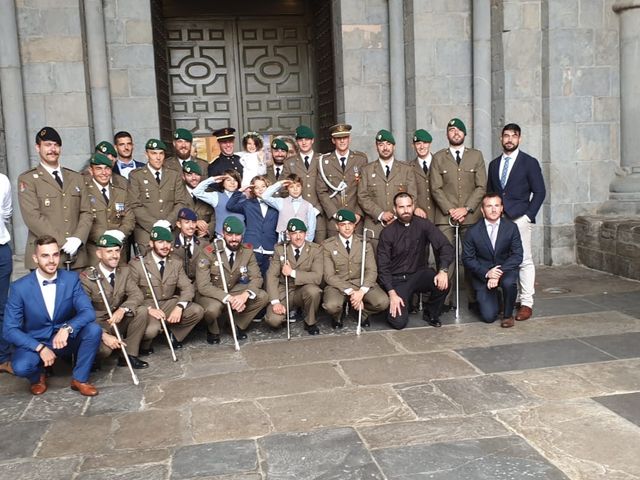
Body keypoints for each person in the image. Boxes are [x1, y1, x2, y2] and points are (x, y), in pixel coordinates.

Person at [3, 235, 102, 396]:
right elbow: (9, 330)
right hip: (37, 340)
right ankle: (37, 377)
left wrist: (67, 328)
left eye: (55, 255)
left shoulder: (71, 279)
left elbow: (88, 312)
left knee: (93, 330)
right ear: (35, 258)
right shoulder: (19, 288)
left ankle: (80, 379)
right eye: (45, 255)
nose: (51, 260)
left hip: (64, 339)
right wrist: (40, 348)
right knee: (21, 366)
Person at [487, 123, 546, 322]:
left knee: (524, 260)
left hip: (520, 218)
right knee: (501, 259)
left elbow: (540, 191)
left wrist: (528, 215)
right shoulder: (494, 164)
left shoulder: (529, 162)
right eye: (506, 135)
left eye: (514, 136)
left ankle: (526, 303)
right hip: (499, 219)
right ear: (501, 139)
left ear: (519, 139)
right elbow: (491, 193)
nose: (509, 139)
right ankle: (508, 299)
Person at [430, 118, 486, 311]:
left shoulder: (476, 156)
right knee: (446, 258)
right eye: (451, 130)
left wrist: (466, 208)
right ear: (447, 134)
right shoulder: (438, 157)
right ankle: (444, 301)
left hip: (470, 216)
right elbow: (435, 188)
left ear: (465, 134)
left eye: (458, 130)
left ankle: (474, 299)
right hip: (445, 217)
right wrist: (451, 210)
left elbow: (481, 186)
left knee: (471, 258)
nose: (455, 133)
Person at [18, 126, 92, 270]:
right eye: (47, 145)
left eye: (56, 145)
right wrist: (63, 242)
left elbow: (87, 212)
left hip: (76, 256)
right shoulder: (28, 179)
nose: (53, 149)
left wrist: (78, 239)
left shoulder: (76, 178)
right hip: (45, 256)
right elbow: (32, 217)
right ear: (37, 148)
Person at [377, 193, 453, 330]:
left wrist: (443, 270)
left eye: (408, 206)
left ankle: (431, 313)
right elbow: (383, 267)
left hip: (418, 274)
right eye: (401, 207)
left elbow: (445, 246)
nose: (406, 210)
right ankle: (390, 307)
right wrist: (392, 293)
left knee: (444, 283)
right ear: (395, 209)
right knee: (398, 323)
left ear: (413, 206)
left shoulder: (423, 225)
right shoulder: (387, 233)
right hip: (397, 280)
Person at [129, 221, 204, 353]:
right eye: (160, 242)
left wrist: (179, 307)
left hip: (168, 303)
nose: (165, 246)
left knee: (197, 311)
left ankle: (173, 334)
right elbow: (130, 294)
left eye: (168, 242)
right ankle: (145, 345)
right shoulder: (137, 264)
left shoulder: (175, 262)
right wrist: (148, 308)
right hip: (148, 305)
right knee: (151, 331)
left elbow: (188, 288)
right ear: (151, 244)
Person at [80, 230, 148, 369]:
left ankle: (129, 355)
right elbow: (82, 313)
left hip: (116, 319)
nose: (115, 255)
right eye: (109, 251)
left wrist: (123, 309)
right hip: (97, 323)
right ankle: (91, 359)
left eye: (117, 251)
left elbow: (137, 295)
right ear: (99, 254)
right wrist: (103, 334)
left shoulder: (124, 271)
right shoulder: (87, 277)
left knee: (141, 310)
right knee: (105, 351)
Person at [196, 216, 268, 344]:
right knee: (213, 309)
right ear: (223, 234)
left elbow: (256, 278)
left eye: (237, 235)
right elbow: (203, 286)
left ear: (242, 235)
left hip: (232, 288)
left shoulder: (247, 251)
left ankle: (235, 324)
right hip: (212, 293)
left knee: (261, 296)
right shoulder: (209, 252)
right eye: (230, 235)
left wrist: (245, 295)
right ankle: (213, 330)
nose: (234, 239)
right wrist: (228, 298)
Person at [462, 194, 523, 328]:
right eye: (489, 206)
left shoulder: (511, 227)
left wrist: (499, 272)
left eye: (497, 205)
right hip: (483, 274)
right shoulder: (472, 231)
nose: (493, 209)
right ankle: (495, 300)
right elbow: (467, 259)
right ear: (482, 210)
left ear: (502, 208)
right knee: (488, 317)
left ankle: (507, 315)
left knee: (509, 283)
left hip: (505, 270)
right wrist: (487, 273)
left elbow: (518, 255)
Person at [322, 209, 389, 329]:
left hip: (360, 282)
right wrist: (352, 293)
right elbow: (329, 276)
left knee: (382, 302)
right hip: (338, 285)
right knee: (331, 305)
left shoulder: (364, 243)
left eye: (350, 224)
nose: (347, 228)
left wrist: (362, 291)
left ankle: (362, 312)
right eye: (343, 225)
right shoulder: (328, 245)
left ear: (355, 226)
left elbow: (372, 270)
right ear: (337, 226)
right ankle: (338, 315)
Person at [127, 138, 190, 250]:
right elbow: (135, 205)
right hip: (146, 231)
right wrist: (155, 225)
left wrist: (168, 222)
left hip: (170, 229)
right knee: (148, 264)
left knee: (173, 264)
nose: (158, 157)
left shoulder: (173, 175)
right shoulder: (136, 176)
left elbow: (181, 202)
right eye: (154, 153)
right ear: (146, 155)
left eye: (161, 153)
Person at [357, 129, 417, 245]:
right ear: (376, 147)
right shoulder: (367, 170)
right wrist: (380, 214)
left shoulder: (406, 169)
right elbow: (362, 196)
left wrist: (396, 217)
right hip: (375, 229)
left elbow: (412, 196)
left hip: (401, 226)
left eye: (388, 144)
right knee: (375, 262)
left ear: (393, 147)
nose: (385, 148)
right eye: (381, 144)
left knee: (401, 262)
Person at [265, 219, 323, 335]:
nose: (298, 237)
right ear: (288, 235)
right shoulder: (280, 249)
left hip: (303, 289)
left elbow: (317, 277)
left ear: (305, 234)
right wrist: (275, 302)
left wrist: (292, 273)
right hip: (284, 290)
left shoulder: (315, 250)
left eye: (301, 232)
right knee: (273, 321)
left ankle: (310, 321)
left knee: (314, 291)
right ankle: (286, 311)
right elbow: (272, 276)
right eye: (294, 233)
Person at [83, 152, 135, 266]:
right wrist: (105, 236)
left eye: (107, 168)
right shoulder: (84, 192)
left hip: (118, 252)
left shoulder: (120, 192)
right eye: (99, 169)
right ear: (91, 171)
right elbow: (83, 220)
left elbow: (129, 218)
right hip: (95, 252)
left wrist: (121, 233)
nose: (104, 173)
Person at [316, 123, 368, 234]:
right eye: (338, 138)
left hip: (355, 218)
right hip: (334, 219)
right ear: (333, 140)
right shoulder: (324, 162)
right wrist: (335, 213)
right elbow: (321, 191)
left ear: (349, 139)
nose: (342, 141)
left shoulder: (360, 159)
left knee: (355, 250)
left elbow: (364, 189)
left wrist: (358, 213)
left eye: (345, 137)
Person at [226, 175, 279, 278]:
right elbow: (230, 206)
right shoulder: (248, 204)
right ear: (253, 190)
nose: (260, 189)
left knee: (268, 279)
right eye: (256, 187)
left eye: (263, 186)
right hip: (252, 246)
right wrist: (240, 190)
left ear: (268, 187)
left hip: (269, 246)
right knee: (251, 278)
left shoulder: (275, 205)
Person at [283, 125, 326, 242]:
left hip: (319, 216)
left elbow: (329, 189)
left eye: (307, 139)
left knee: (319, 252)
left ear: (312, 140)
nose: (304, 142)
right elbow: (283, 189)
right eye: (301, 139)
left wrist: (317, 209)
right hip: (296, 215)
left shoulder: (322, 160)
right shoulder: (289, 163)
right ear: (297, 142)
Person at [262, 173, 318, 242]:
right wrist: (280, 184)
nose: (295, 189)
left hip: (302, 242)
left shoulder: (308, 206)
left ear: (302, 187)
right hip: (284, 241)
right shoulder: (281, 202)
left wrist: (307, 242)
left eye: (298, 186)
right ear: (287, 188)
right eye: (291, 187)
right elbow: (264, 196)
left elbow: (311, 227)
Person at [191, 169, 245, 235]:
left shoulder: (244, 197)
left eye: (235, 180)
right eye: (228, 180)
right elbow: (196, 192)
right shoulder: (216, 196)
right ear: (223, 183)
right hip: (222, 237)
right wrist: (212, 180)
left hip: (242, 237)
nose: (232, 183)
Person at [171, 207, 209, 283]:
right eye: (187, 222)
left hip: (199, 287)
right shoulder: (171, 246)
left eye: (194, 222)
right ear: (179, 224)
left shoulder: (204, 245)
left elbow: (206, 267)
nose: (191, 226)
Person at [0, 173, 13, 374]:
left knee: (2, 306)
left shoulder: (2, 180)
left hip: (1, 248)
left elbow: (6, 213)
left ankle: (2, 358)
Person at [409, 129, 436, 220]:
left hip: (440, 217)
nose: (421, 146)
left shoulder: (440, 163)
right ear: (413, 146)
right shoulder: (408, 168)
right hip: (419, 218)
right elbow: (407, 192)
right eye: (418, 144)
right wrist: (414, 207)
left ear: (429, 144)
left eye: (425, 143)